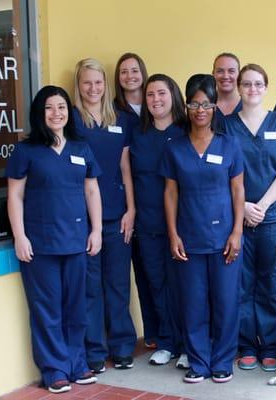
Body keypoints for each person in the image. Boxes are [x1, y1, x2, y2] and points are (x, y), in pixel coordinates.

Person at [6, 85, 102, 394]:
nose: (56, 113)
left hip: (76, 240)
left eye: (61, 106)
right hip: (40, 244)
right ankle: (54, 369)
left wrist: (97, 229)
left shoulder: (80, 147)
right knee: (47, 308)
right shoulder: (26, 150)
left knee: (75, 306)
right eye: (49, 108)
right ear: (39, 113)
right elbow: (15, 196)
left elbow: (91, 190)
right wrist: (19, 236)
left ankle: (77, 364)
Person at [160, 74, 244, 383]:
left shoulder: (229, 144)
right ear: (186, 105)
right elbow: (170, 193)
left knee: (225, 302)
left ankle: (222, 361)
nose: (200, 109)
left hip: (224, 237)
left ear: (214, 107)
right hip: (189, 238)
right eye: (194, 103)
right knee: (193, 304)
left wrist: (237, 232)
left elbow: (238, 191)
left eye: (206, 103)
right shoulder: (174, 148)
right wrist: (173, 234)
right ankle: (198, 361)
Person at [225, 64, 276, 372]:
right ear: (239, 88)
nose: (252, 89)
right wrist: (244, 208)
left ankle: (269, 345)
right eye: (247, 84)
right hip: (237, 216)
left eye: (258, 84)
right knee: (241, 282)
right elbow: (223, 172)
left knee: (269, 281)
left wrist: (262, 206)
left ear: (266, 87)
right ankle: (246, 345)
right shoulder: (226, 125)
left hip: (275, 216)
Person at [73, 58, 137, 373]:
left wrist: (132, 209)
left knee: (118, 284)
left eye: (98, 82)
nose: (93, 88)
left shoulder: (122, 120)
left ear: (105, 84)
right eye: (87, 82)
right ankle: (94, 350)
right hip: (82, 218)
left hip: (117, 213)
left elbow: (126, 168)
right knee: (90, 286)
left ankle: (123, 347)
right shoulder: (71, 120)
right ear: (78, 85)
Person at [130, 73, 187, 367]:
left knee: (186, 286)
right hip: (150, 224)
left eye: (162, 93)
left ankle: (190, 345)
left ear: (173, 95)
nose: (156, 99)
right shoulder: (138, 135)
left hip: (184, 224)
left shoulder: (186, 131)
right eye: (150, 94)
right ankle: (166, 342)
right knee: (158, 284)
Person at [114, 53, 159, 350]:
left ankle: (166, 331)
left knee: (156, 272)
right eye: (123, 71)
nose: (130, 75)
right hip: (127, 200)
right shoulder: (115, 111)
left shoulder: (156, 107)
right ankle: (152, 332)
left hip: (157, 201)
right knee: (141, 272)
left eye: (134, 70)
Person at [212, 53, 242, 132]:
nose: (225, 76)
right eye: (220, 71)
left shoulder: (247, 106)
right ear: (213, 74)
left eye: (231, 71)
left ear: (239, 75)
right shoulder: (205, 107)